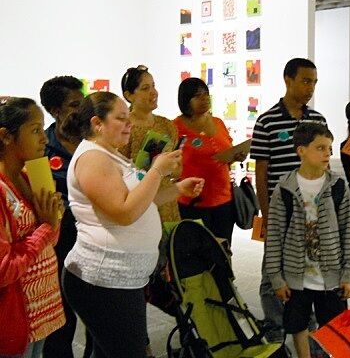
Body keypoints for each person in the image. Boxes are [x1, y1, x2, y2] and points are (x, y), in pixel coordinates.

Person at [61, 92, 204, 358]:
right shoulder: (93, 159)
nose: (129, 124)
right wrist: (157, 171)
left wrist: (176, 190)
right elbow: (123, 213)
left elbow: (141, 200)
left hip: (123, 279)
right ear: (97, 123)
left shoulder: (110, 154)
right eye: (121, 118)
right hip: (103, 281)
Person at [250, 58, 327, 340]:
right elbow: (261, 171)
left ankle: (308, 326)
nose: (310, 88)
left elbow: (325, 166)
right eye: (306, 81)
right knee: (273, 274)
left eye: (314, 82)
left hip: (314, 214)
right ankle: (275, 327)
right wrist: (267, 214)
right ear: (288, 79)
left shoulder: (318, 119)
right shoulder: (267, 121)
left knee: (313, 270)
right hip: (281, 213)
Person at [265, 122, 350, 358]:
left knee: (333, 326)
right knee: (297, 323)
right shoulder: (284, 188)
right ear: (301, 150)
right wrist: (276, 277)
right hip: (296, 278)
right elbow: (274, 235)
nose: (328, 153)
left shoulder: (337, 186)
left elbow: (349, 230)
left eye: (329, 148)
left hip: (331, 275)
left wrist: (348, 273)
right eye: (320, 148)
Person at [120, 65, 182, 357]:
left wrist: (173, 168)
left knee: (170, 273)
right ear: (129, 94)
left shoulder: (168, 125)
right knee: (142, 280)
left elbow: (177, 164)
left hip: (168, 203)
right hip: (140, 204)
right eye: (144, 87)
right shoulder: (125, 126)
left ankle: (186, 331)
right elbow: (120, 170)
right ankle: (140, 342)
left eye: (154, 85)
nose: (152, 92)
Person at [0, 97, 65, 357]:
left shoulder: (31, 177)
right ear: (6, 136)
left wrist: (52, 219)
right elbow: (4, 269)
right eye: (35, 130)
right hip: (15, 317)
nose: (45, 139)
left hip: (40, 313)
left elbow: (51, 240)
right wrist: (47, 226)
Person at [39, 76, 93, 358]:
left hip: (97, 241)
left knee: (99, 314)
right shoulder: (41, 150)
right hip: (62, 242)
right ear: (56, 111)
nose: (83, 108)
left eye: (83, 101)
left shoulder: (95, 140)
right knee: (62, 315)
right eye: (75, 104)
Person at [174, 77, 245, 245]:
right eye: (198, 95)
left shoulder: (218, 122)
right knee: (196, 254)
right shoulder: (175, 127)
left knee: (223, 250)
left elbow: (225, 156)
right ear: (186, 100)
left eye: (206, 94)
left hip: (224, 200)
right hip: (192, 202)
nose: (205, 98)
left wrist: (235, 156)